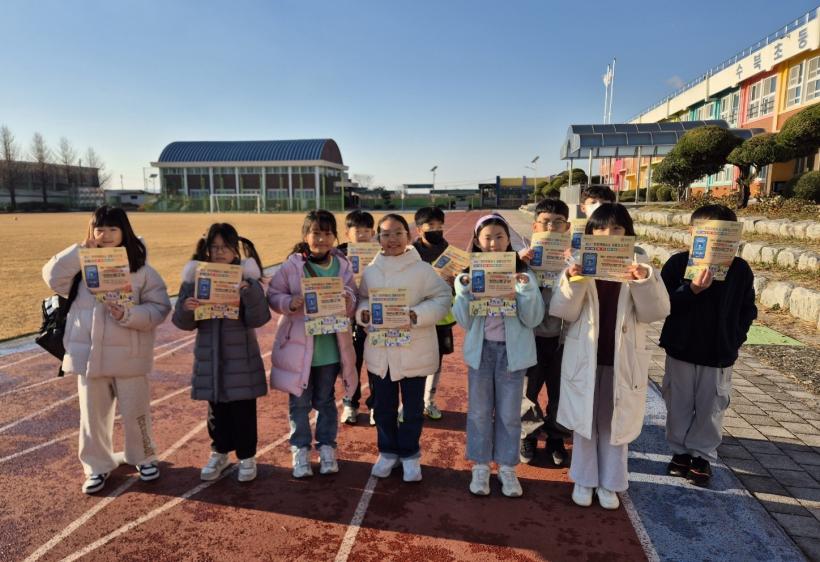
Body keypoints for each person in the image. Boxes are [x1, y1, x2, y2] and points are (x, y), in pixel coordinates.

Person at [42, 206, 171, 494]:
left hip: (130, 357)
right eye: (100, 229)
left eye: (113, 228)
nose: (106, 235)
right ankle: (96, 467)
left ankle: (144, 458)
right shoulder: (79, 268)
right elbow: (51, 277)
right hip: (89, 357)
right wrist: (80, 252)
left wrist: (129, 315)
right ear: (92, 231)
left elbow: (160, 307)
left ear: (125, 231)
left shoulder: (141, 270)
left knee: (136, 413)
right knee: (92, 417)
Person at [550, 203, 669, 510]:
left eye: (617, 228)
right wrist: (572, 281)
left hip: (621, 360)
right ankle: (583, 478)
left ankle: (611, 482)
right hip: (586, 357)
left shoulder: (641, 265)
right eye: (601, 228)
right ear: (590, 233)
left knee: (613, 422)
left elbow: (655, 312)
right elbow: (563, 311)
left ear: (628, 233)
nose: (609, 235)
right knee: (585, 420)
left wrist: (642, 281)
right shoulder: (579, 264)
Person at [659, 204, 756, 487]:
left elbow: (747, 309)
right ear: (692, 233)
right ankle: (679, 452)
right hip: (681, 349)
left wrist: (735, 338)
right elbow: (662, 305)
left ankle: (701, 456)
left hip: (718, 353)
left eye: (724, 234)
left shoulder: (740, 269)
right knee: (677, 403)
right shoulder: (678, 264)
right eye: (707, 233)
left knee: (711, 405)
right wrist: (691, 290)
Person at [453, 214, 544, 497]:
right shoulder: (469, 274)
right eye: (487, 238)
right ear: (477, 241)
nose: (493, 243)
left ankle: (507, 467)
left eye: (499, 237)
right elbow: (464, 321)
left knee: (509, 414)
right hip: (481, 353)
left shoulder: (523, 274)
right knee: (479, 412)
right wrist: (464, 290)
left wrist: (524, 289)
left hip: (511, 355)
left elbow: (533, 318)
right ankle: (480, 466)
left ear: (509, 240)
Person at [356, 214, 451, 482]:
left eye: (398, 233)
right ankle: (387, 452)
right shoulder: (371, 271)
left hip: (414, 350)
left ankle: (410, 454)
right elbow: (363, 300)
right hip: (381, 351)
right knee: (383, 407)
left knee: (412, 410)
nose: (392, 239)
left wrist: (415, 315)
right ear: (378, 238)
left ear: (408, 236)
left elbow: (442, 297)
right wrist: (364, 314)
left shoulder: (422, 270)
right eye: (385, 234)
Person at [172, 223, 271, 483]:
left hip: (242, 358)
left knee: (243, 409)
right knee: (216, 410)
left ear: (236, 249)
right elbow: (182, 323)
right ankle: (219, 452)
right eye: (214, 247)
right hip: (210, 356)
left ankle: (247, 457)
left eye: (225, 247)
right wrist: (186, 308)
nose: (219, 252)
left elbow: (260, 318)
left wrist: (249, 292)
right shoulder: (195, 278)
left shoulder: (246, 278)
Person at [267, 210, 358, 478]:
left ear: (335, 237)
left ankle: (327, 447)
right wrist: (289, 302)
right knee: (299, 404)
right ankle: (301, 450)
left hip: (330, 351)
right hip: (299, 350)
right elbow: (274, 294)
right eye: (316, 233)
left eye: (327, 233)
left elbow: (353, 297)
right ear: (305, 235)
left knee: (326, 401)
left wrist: (347, 300)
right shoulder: (292, 266)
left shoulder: (342, 266)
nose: (321, 239)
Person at [517, 199, 573, 466]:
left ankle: (556, 437)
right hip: (530, 336)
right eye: (546, 222)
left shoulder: (574, 258)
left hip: (564, 337)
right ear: (535, 226)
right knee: (526, 392)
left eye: (558, 222)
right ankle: (528, 434)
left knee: (560, 393)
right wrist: (518, 264)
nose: (551, 227)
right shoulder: (522, 258)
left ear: (567, 227)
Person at [412, 206, 457, 421]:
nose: (436, 229)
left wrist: (455, 282)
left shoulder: (451, 253)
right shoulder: (409, 253)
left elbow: (459, 287)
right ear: (419, 229)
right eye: (431, 225)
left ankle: (429, 401)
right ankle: (410, 402)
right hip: (416, 317)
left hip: (441, 318)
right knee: (414, 360)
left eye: (440, 225)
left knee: (436, 362)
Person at [337, 209, 377, 426]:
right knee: (350, 364)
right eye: (357, 231)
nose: (362, 235)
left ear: (373, 233)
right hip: (347, 319)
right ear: (347, 233)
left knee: (375, 364)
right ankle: (350, 403)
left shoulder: (381, 254)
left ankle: (375, 405)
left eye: (366, 231)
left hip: (374, 316)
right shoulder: (338, 255)